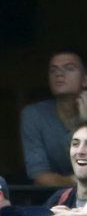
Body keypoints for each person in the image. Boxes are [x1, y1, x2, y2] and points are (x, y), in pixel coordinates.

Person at [20, 50, 87, 187]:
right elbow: (40, 176)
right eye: (53, 70)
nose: (59, 74)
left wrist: (84, 121)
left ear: (85, 80)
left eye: (69, 68)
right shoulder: (35, 114)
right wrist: (75, 181)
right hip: (55, 200)